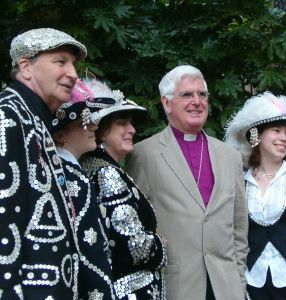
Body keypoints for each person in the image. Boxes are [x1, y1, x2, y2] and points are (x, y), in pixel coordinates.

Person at [125, 65, 249, 300]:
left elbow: (239, 229)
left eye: (202, 94)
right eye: (187, 95)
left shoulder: (230, 156)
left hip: (226, 289)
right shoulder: (143, 154)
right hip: (177, 288)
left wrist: (238, 281)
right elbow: (136, 228)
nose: (197, 101)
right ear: (167, 103)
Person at [0, 28, 87, 298]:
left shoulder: (34, 120)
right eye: (60, 62)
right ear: (26, 67)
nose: (73, 74)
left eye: (73, 64)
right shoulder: (8, 117)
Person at [224, 92, 286, 300]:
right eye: (276, 131)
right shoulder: (241, 180)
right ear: (256, 136)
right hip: (252, 282)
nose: (284, 138)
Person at [80, 79, 167, 300]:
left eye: (131, 123)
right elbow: (133, 246)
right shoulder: (107, 174)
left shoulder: (96, 168)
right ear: (101, 130)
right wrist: (159, 244)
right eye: (122, 123)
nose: (132, 129)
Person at [51, 79, 115, 299]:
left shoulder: (63, 171)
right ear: (59, 135)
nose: (95, 127)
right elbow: (90, 252)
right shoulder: (71, 177)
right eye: (84, 122)